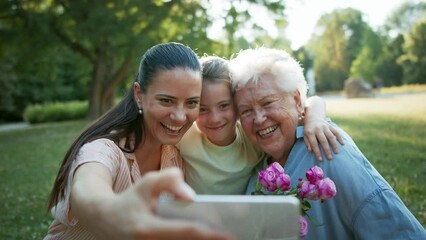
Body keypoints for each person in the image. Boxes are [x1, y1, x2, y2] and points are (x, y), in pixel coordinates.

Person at [229, 47, 426, 239]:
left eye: (268, 103)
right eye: (246, 111)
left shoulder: (328, 149)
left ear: (297, 101)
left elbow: (396, 231)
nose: (259, 118)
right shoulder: (253, 160)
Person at [44, 42, 233, 240]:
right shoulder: (102, 149)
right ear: (139, 95)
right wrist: (111, 212)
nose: (179, 116)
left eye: (192, 103)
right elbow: (86, 189)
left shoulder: (174, 157)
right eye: (166, 101)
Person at [178, 55, 344, 194]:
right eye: (202, 109)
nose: (215, 118)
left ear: (237, 106)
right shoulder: (185, 137)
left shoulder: (252, 138)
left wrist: (315, 119)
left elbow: (312, 101)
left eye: (224, 106)